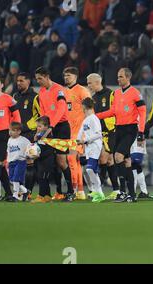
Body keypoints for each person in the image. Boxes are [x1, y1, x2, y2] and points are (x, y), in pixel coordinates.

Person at [96, 68, 147, 203]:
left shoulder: (135, 93)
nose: (118, 79)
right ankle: (131, 194)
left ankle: (122, 192)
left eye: (121, 77)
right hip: (118, 128)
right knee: (126, 161)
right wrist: (96, 116)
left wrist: (141, 131)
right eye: (118, 77)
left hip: (130, 129)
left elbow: (142, 112)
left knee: (118, 156)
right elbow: (113, 110)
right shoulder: (117, 93)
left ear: (128, 77)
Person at [35, 66, 75, 202]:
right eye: (37, 79)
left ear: (47, 76)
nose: (38, 81)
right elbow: (42, 112)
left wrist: (51, 126)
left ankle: (70, 192)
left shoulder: (59, 90)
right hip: (48, 128)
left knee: (62, 161)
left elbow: (62, 108)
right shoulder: (41, 92)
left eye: (40, 78)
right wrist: (40, 130)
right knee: (51, 161)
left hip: (61, 127)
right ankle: (58, 192)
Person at [86, 73, 120, 199]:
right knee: (109, 160)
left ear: (97, 82)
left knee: (103, 159)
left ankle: (97, 189)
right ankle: (116, 189)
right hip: (98, 134)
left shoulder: (111, 94)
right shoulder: (93, 98)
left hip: (110, 132)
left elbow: (116, 111)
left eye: (89, 83)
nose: (88, 85)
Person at [63, 67, 91, 200]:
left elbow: (90, 110)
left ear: (75, 76)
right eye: (65, 75)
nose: (66, 78)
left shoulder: (82, 91)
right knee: (75, 161)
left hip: (79, 131)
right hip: (67, 131)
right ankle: (80, 190)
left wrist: (87, 132)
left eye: (68, 75)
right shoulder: (63, 91)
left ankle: (74, 189)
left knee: (71, 159)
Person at [12, 72, 39, 197]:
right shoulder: (15, 96)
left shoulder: (35, 97)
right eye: (17, 80)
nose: (19, 83)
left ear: (28, 81)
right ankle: (19, 191)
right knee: (16, 163)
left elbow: (39, 116)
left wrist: (25, 126)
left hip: (29, 135)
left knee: (29, 163)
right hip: (16, 136)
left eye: (21, 80)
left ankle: (28, 192)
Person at [0, 75, 21, 202]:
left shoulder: (7, 99)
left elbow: (16, 115)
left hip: (3, 134)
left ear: (1, 85)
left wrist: (15, 131)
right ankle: (9, 194)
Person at [77, 98, 104, 203]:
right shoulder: (86, 119)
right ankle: (96, 191)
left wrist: (85, 140)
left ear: (84, 106)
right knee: (92, 170)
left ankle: (99, 192)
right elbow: (80, 133)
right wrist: (77, 141)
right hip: (88, 147)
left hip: (95, 146)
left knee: (89, 169)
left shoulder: (94, 118)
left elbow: (98, 134)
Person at [30, 116, 56, 203]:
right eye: (37, 126)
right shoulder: (39, 136)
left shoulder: (50, 137)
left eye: (40, 126)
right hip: (40, 161)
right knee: (42, 178)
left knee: (42, 178)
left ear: (46, 127)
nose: (38, 128)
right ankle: (47, 196)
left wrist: (39, 155)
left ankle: (41, 196)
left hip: (47, 161)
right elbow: (36, 146)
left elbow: (50, 150)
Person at [6, 122, 30, 201]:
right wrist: (7, 161)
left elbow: (31, 148)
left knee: (16, 179)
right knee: (12, 180)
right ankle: (26, 191)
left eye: (13, 130)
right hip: (11, 162)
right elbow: (8, 151)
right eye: (10, 130)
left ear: (18, 131)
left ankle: (15, 196)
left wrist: (29, 155)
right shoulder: (9, 140)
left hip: (20, 161)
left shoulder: (23, 140)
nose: (10, 132)